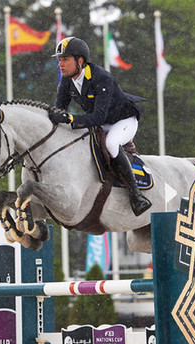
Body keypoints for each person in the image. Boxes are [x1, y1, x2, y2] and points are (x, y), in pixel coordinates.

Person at [50, 36, 152, 217]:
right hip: (101, 123)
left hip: (124, 121)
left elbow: (97, 117)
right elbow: (59, 109)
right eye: (59, 60)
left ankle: (136, 195)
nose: (61, 64)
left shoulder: (102, 78)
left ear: (79, 61)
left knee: (111, 143)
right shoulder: (67, 80)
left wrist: (70, 119)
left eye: (65, 59)